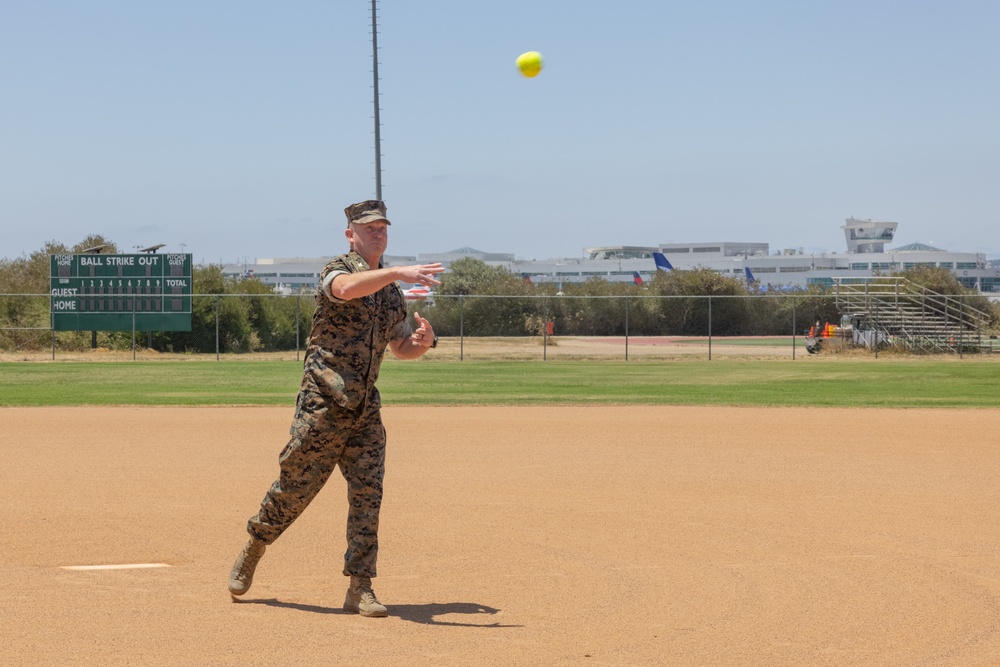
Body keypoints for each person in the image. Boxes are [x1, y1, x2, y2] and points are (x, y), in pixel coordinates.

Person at [228, 200, 444, 617]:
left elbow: (399, 346)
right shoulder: (337, 270)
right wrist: (397, 272)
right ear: (351, 234)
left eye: (382, 227)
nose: (377, 233)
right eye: (368, 228)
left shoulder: (392, 295)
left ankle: (360, 588)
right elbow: (345, 290)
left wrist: (420, 343)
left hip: (364, 408)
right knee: (295, 487)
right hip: (323, 403)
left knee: (368, 494)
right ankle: (255, 543)